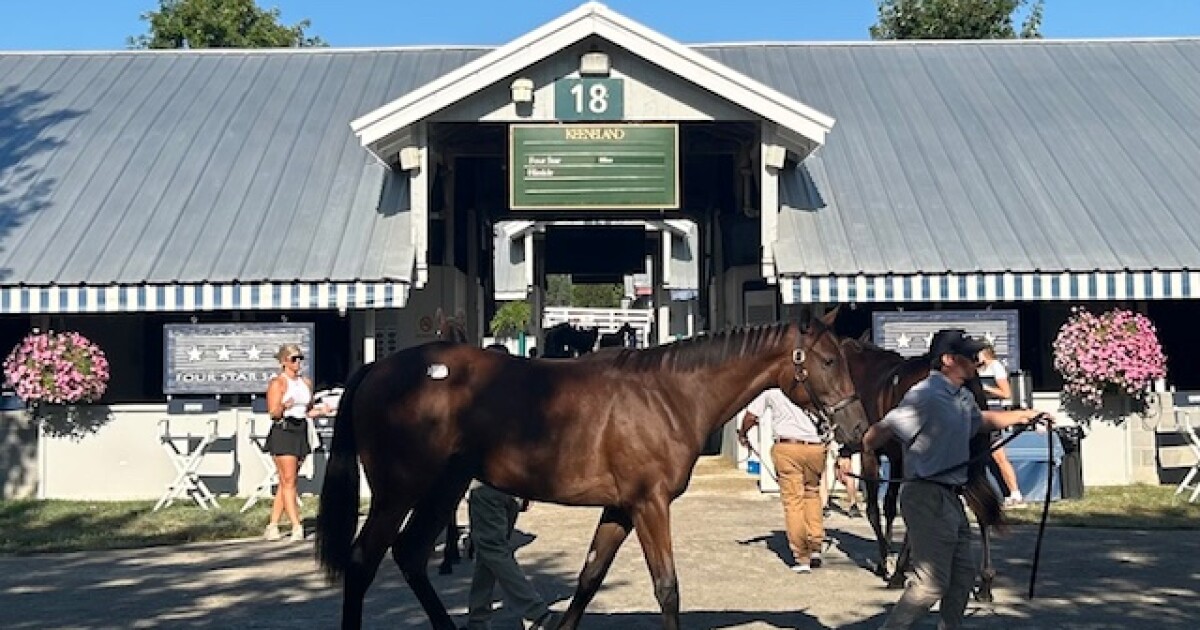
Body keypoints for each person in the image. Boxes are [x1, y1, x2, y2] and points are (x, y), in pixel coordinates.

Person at [864, 329, 1051, 629]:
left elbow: (980, 421)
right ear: (948, 360)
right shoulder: (925, 395)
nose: (977, 360)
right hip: (925, 496)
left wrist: (1023, 416)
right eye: (969, 355)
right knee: (931, 584)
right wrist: (864, 445)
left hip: (951, 496)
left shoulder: (960, 396)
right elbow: (885, 428)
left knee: (962, 577)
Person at [463, 343, 559, 630]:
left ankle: (537, 612)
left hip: (487, 484)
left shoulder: (481, 401)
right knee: (489, 551)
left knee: (493, 550)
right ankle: (478, 618)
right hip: (515, 487)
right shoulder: (524, 403)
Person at [737, 388, 827, 573]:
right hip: (815, 447)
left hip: (788, 446)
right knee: (812, 494)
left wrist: (743, 434)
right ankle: (815, 546)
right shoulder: (813, 386)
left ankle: (802, 556)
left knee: (793, 501)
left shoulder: (773, 390)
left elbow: (751, 416)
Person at [263, 343, 328, 542]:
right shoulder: (278, 383)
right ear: (284, 362)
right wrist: (284, 405)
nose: (297, 362)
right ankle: (296, 525)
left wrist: (322, 411)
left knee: (287, 481)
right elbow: (273, 413)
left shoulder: (305, 382)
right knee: (289, 481)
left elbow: (307, 410)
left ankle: (273, 525)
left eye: (300, 358)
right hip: (284, 430)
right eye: (293, 359)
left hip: (301, 430)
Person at [977, 344, 1025, 507]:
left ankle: (1015, 493)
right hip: (978, 413)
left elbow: (1006, 393)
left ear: (985, 353)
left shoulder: (995, 367)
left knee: (999, 456)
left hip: (992, 414)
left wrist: (985, 388)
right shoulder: (976, 369)